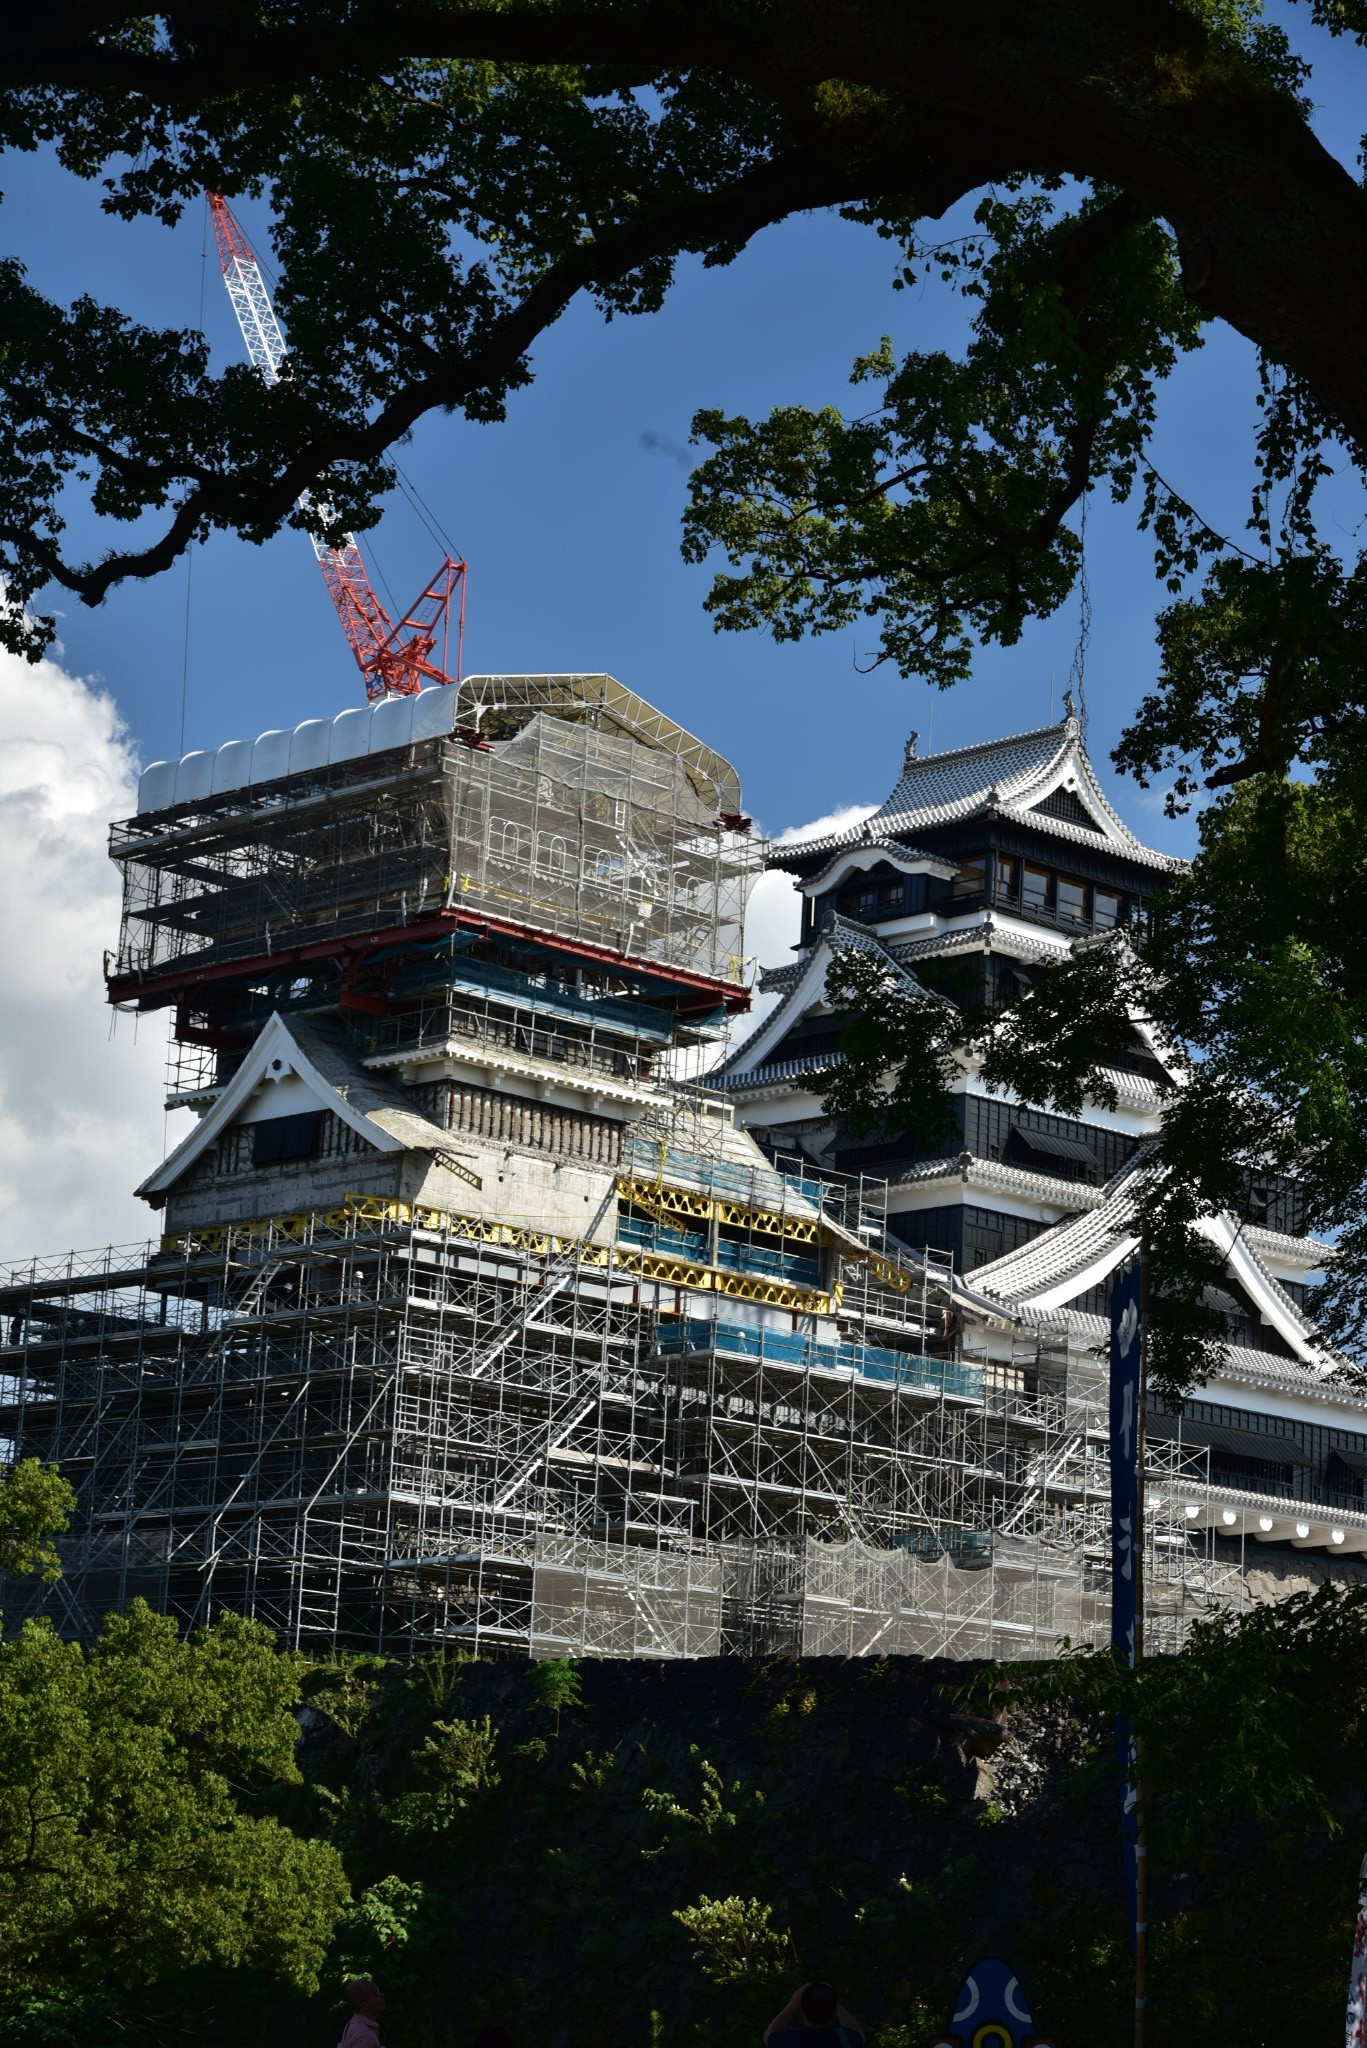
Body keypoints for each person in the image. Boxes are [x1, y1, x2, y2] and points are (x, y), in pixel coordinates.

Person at [763, 1982, 864, 2048]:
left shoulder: (787, 2040)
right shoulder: (846, 2038)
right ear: (834, 2012)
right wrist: (834, 2001)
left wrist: (791, 2005)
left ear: (801, 2011)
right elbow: (859, 2033)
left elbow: (769, 2033)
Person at [340, 1978, 386, 2048]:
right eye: (375, 1994)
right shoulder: (365, 2036)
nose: (381, 1995)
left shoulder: (353, 2024)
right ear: (363, 2004)